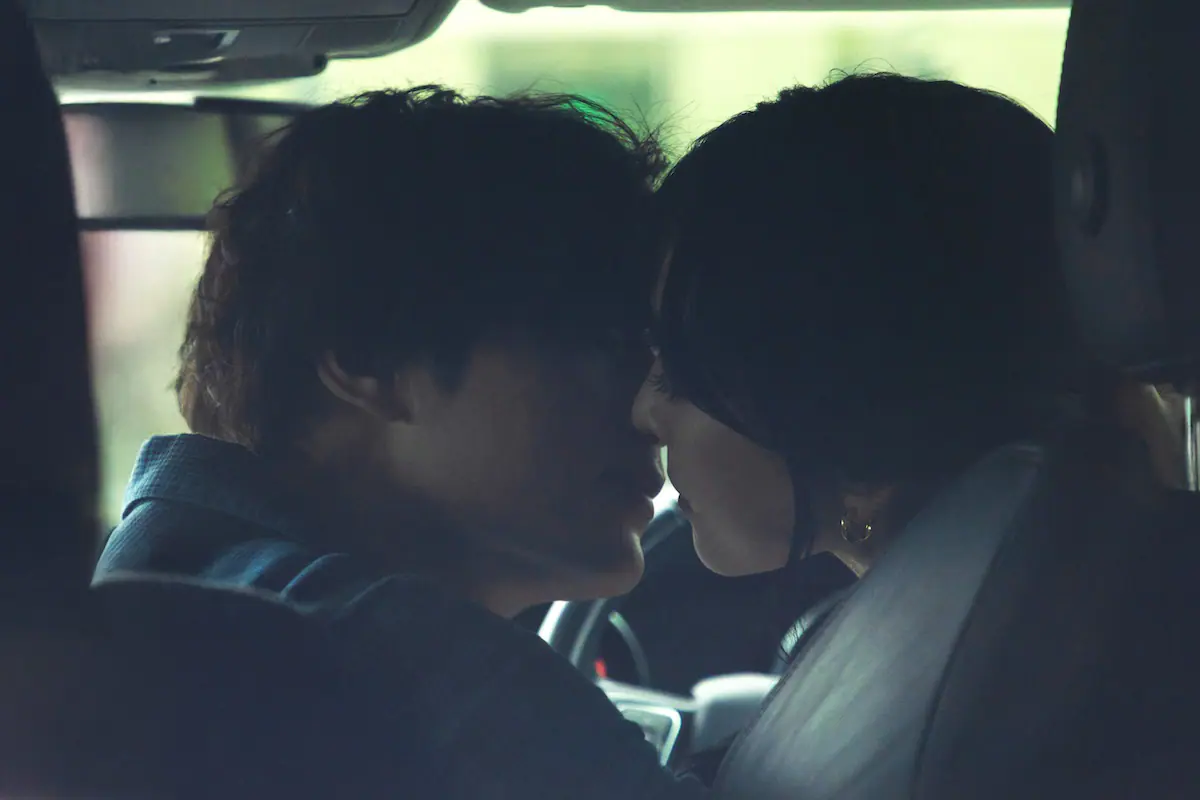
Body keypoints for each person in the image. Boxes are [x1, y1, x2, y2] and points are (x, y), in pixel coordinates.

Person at [95, 86, 705, 799]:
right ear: (369, 361)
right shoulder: (426, 673)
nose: (654, 405)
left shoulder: (154, 593)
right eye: (608, 344)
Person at [634, 72, 1182, 650]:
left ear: (845, 399)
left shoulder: (965, 667)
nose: (642, 412)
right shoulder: (1059, 630)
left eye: (680, 375)